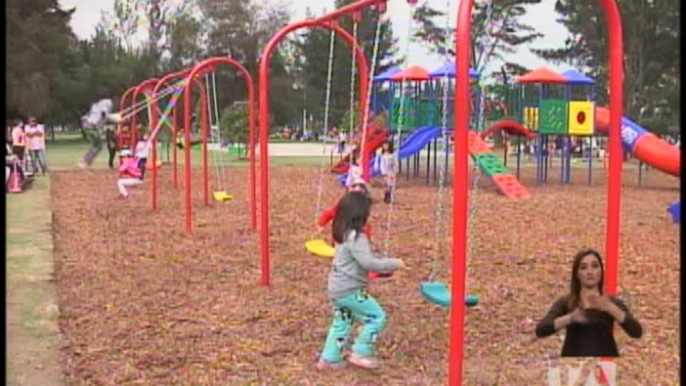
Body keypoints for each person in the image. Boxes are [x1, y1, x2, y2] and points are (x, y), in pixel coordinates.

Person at [317, 191, 405, 371]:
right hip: (351, 291)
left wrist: (379, 259)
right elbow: (368, 262)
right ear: (360, 215)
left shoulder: (342, 233)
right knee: (376, 316)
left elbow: (362, 258)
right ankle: (360, 351)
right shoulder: (357, 237)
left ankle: (329, 358)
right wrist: (393, 263)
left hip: (337, 289)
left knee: (343, 321)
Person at [535, 249, 643, 357]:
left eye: (595, 266)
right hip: (574, 367)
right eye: (583, 267)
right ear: (577, 274)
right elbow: (541, 329)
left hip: (605, 367)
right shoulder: (567, 302)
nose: (589, 272)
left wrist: (610, 308)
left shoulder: (611, 303)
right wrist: (570, 318)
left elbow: (636, 332)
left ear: (601, 271)